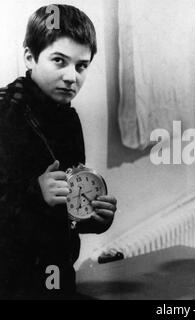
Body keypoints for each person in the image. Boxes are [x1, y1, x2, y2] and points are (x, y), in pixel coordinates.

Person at [0, 4, 117, 299]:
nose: (71, 77)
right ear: (29, 56)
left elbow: (65, 211)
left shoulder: (67, 117)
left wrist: (93, 217)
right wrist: (34, 193)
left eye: (81, 66)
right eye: (59, 61)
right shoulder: (4, 113)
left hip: (56, 275)